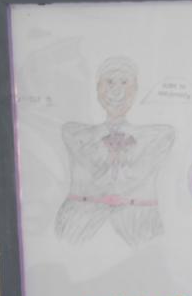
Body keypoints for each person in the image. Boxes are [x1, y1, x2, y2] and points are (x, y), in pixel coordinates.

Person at [54, 56, 176, 245]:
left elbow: (133, 175)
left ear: (135, 90)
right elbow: (98, 173)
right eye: (109, 82)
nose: (116, 90)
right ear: (97, 89)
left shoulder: (156, 137)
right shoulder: (75, 134)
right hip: (79, 221)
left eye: (124, 82)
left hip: (139, 222)